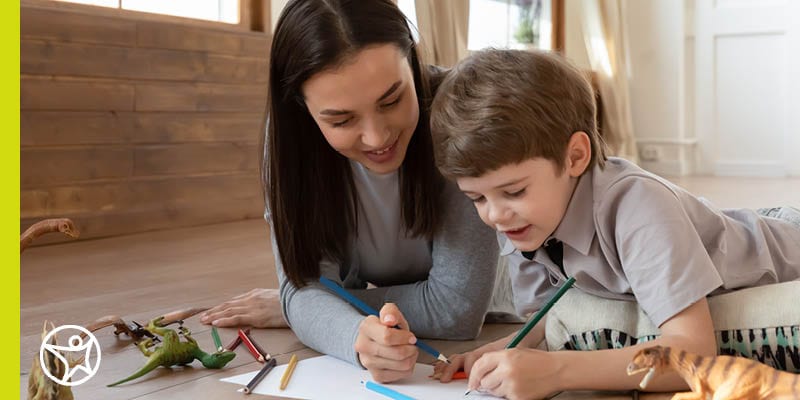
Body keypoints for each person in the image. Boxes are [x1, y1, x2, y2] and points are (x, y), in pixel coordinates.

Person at [428, 49, 800, 399]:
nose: (494, 215)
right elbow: (552, 317)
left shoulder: (638, 208)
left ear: (575, 156)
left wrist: (558, 371)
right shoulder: (520, 222)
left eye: (514, 190)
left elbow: (693, 354)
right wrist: (498, 351)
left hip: (783, 245)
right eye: (477, 198)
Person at [200, 0, 505, 383]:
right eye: (341, 120)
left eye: (392, 100)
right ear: (302, 109)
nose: (378, 137)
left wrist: (304, 308)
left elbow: (456, 308)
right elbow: (306, 286)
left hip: (513, 310)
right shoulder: (290, 149)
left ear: (412, 63)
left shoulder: (460, 117)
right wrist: (354, 335)